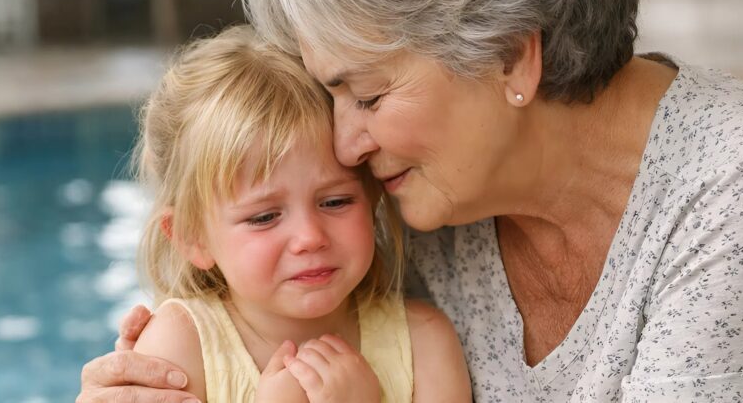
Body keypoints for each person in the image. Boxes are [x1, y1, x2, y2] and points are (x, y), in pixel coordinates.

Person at [78, 0, 743, 401]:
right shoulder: (423, 197)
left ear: (510, 56)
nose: (345, 148)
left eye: (368, 95)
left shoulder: (742, 189)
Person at [94, 25, 471, 403]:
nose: (310, 237)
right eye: (264, 217)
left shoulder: (425, 343)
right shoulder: (180, 347)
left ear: (373, 200)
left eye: (336, 202)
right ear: (193, 237)